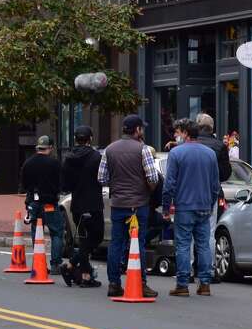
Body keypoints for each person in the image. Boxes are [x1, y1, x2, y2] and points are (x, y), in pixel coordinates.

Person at [98, 115, 160, 299]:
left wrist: (116, 185)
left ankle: (114, 283)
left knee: (116, 243)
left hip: (117, 204)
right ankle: (140, 282)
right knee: (137, 243)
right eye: (142, 128)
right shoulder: (144, 150)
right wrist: (147, 189)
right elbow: (153, 178)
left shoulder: (109, 149)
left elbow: (101, 178)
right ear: (137, 130)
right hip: (139, 204)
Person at [162, 118, 221, 297]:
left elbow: (169, 184)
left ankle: (182, 283)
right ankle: (205, 283)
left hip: (184, 205)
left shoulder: (176, 153)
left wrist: (166, 207)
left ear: (186, 134)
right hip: (203, 205)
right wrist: (210, 203)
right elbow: (215, 184)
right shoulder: (210, 153)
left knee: (183, 245)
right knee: (203, 244)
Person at [60, 126, 103, 288]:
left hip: (77, 203)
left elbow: (64, 184)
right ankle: (84, 276)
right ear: (90, 139)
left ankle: (72, 266)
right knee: (95, 237)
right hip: (93, 203)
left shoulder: (68, 158)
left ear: (75, 139)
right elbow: (102, 178)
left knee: (84, 239)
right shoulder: (95, 157)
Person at [20, 136, 67, 278]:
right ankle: (56, 264)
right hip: (49, 203)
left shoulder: (28, 163)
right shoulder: (55, 163)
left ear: (37, 148)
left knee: (36, 232)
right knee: (57, 232)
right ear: (50, 147)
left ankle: (38, 261)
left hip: (34, 203)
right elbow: (61, 184)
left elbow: (24, 184)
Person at [195, 113, 231, 281]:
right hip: (211, 193)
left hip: (189, 195)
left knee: (186, 235)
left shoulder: (189, 145)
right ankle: (208, 270)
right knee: (209, 233)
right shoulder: (219, 146)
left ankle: (186, 271)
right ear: (212, 128)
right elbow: (225, 173)